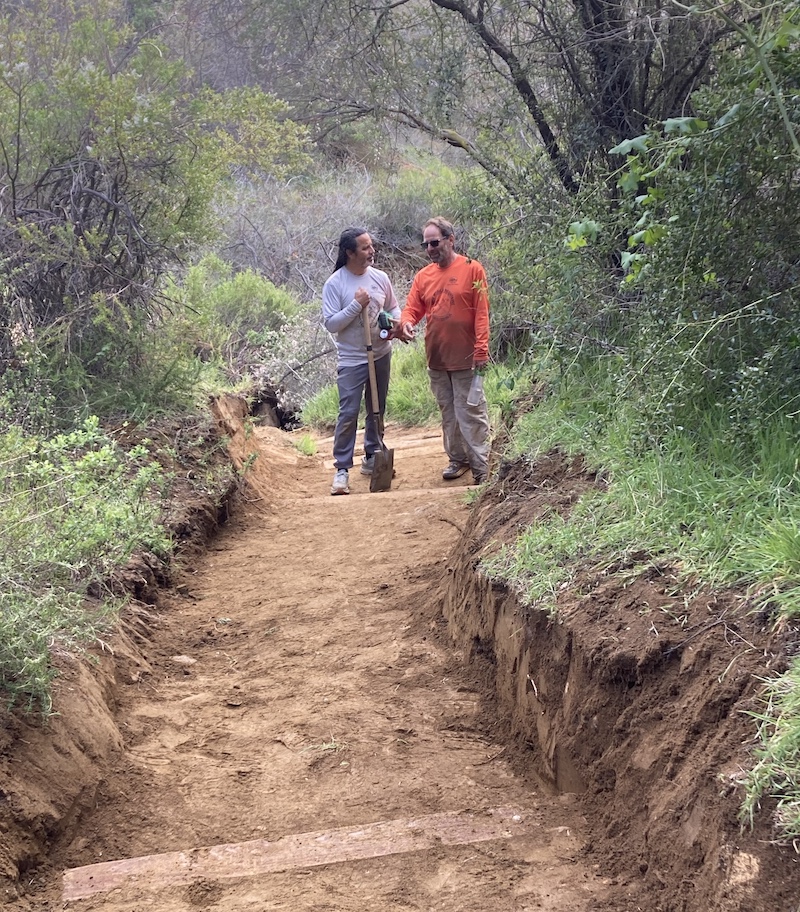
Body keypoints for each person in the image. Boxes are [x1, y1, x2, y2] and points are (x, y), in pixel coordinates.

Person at [396, 216, 491, 485]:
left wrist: (481, 348)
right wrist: (406, 324)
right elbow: (412, 309)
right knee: (448, 413)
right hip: (437, 358)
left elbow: (482, 313)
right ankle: (458, 459)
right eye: (425, 244)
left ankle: (481, 466)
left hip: (467, 357)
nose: (430, 249)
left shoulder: (473, 269)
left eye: (435, 242)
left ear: (451, 239)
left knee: (471, 412)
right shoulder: (423, 276)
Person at [322, 227, 401, 495]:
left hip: (381, 353)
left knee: (377, 407)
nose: (372, 251)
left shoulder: (380, 278)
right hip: (352, 358)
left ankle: (373, 453)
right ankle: (342, 469)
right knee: (348, 413)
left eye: (371, 246)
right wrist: (356, 305)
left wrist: (391, 323)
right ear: (350, 252)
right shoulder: (335, 284)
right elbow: (332, 323)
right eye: (365, 247)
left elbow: (393, 306)